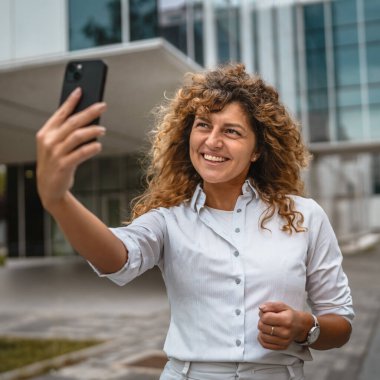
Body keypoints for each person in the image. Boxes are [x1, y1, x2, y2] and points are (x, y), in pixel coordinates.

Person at [36, 63, 354, 380]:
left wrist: (305, 328)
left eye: (231, 131)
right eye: (203, 125)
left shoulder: (305, 216)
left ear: (257, 149)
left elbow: (340, 323)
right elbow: (117, 256)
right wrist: (58, 200)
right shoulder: (168, 218)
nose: (212, 141)